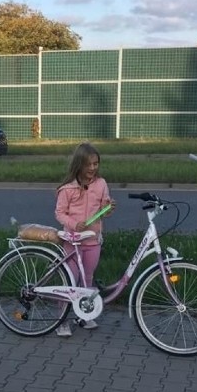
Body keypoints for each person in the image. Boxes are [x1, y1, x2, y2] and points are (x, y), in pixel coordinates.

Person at [53, 141, 115, 337]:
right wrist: (73, 224)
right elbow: (59, 213)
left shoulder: (101, 184)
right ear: (79, 165)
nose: (92, 168)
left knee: (87, 279)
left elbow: (103, 210)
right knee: (69, 280)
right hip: (72, 242)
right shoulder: (67, 189)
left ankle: (83, 315)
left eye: (96, 164)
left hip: (92, 241)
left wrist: (108, 208)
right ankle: (61, 320)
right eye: (88, 164)